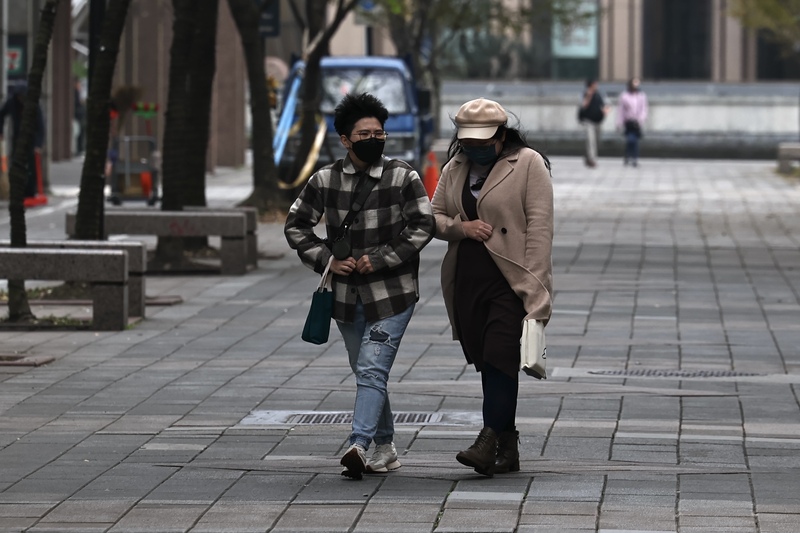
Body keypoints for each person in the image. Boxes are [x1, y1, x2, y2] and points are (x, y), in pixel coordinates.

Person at [284, 92, 435, 480]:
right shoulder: (325, 180)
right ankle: (386, 447)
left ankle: (358, 443)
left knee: (371, 365)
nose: (374, 139)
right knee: (368, 371)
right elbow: (296, 225)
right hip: (346, 296)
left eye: (379, 133)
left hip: (393, 293)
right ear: (345, 140)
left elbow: (424, 224)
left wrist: (382, 257)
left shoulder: (402, 176)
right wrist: (327, 259)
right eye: (364, 134)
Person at [430, 98, 553, 477]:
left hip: (511, 279)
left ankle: (486, 442)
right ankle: (508, 445)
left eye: (483, 143)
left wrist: (536, 290)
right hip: (468, 278)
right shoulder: (455, 167)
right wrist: (460, 228)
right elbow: (432, 216)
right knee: (489, 361)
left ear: (501, 136)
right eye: (468, 142)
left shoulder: (528, 163)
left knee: (501, 353)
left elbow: (539, 229)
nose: (475, 149)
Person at [0, 82, 45, 198]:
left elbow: (40, 126)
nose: (20, 98)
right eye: (19, 96)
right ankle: (17, 190)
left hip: (31, 140)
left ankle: (30, 192)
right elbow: (1, 114)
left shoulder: (33, 105)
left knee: (31, 167)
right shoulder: (12, 103)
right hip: (17, 138)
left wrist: (38, 145)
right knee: (17, 164)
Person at [616, 77, 648, 167]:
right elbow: (621, 110)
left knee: (635, 140)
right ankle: (629, 155)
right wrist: (619, 122)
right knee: (630, 139)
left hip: (637, 122)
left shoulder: (641, 96)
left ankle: (634, 158)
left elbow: (644, 109)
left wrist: (641, 119)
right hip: (628, 122)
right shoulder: (624, 96)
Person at [577, 78, 608, 168]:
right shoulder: (585, 94)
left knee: (596, 141)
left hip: (597, 121)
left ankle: (588, 157)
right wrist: (589, 96)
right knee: (591, 141)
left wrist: (605, 110)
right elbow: (583, 106)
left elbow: (605, 105)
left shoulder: (599, 94)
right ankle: (592, 159)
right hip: (588, 121)